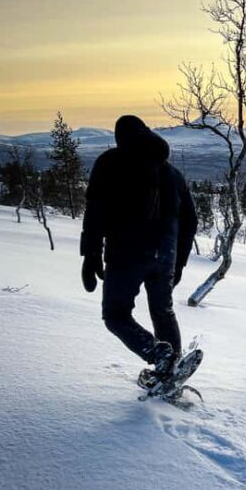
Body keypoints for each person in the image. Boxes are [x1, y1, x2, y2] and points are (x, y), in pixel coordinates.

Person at [80, 115, 197, 381]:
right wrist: (178, 263)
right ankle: (171, 369)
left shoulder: (109, 163)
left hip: (126, 254)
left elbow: (95, 211)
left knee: (115, 315)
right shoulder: (172, 173)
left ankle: (159, 355)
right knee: (163, 312)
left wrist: (90, 255)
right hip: (165, 255)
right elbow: (190, 221)